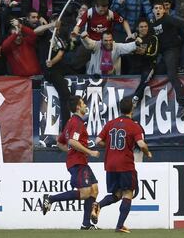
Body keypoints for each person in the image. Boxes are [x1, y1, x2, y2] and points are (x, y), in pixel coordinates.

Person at [93, 97, 152, 233]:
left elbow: (97, 140)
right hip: (125, 164)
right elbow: (141, 144)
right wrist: (147, 153)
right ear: (132, 109)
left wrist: (110, 146)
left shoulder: (110, 123)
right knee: (128, 193)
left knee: (117, 194)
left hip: (110, 164)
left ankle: (98, 205)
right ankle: (120, 225)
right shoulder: (134, 125)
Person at [42, 96, 101, 230]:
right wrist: (90, 152)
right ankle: (51, 199)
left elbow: (60, 142)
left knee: (94, 190)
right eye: (83, 103)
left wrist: (70, 153)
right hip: (78, 163)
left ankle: (86, 225)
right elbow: (72, 142)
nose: (86, 106)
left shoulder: (70, 122)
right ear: (78, 107)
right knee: (86, 192)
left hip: (79, 161)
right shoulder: (77, 123)